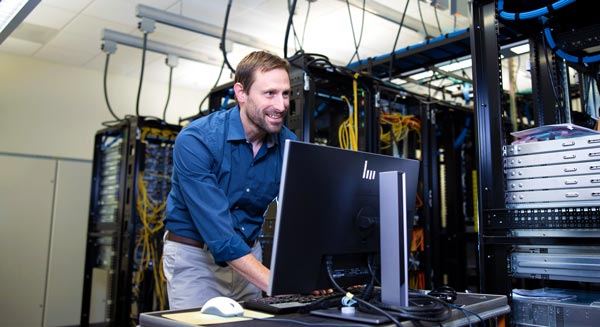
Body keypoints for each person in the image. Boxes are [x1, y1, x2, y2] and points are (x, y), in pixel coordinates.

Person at [162, 50, 298, 309]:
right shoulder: (196, 140)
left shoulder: (289, 145)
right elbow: (219, 234)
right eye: (269, 93)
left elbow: (302, 213)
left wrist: (315, 274)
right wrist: (279, 283)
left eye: (285, 94)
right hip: (195, 259)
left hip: (249, 255)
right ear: (241, 93)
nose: (281, 105)